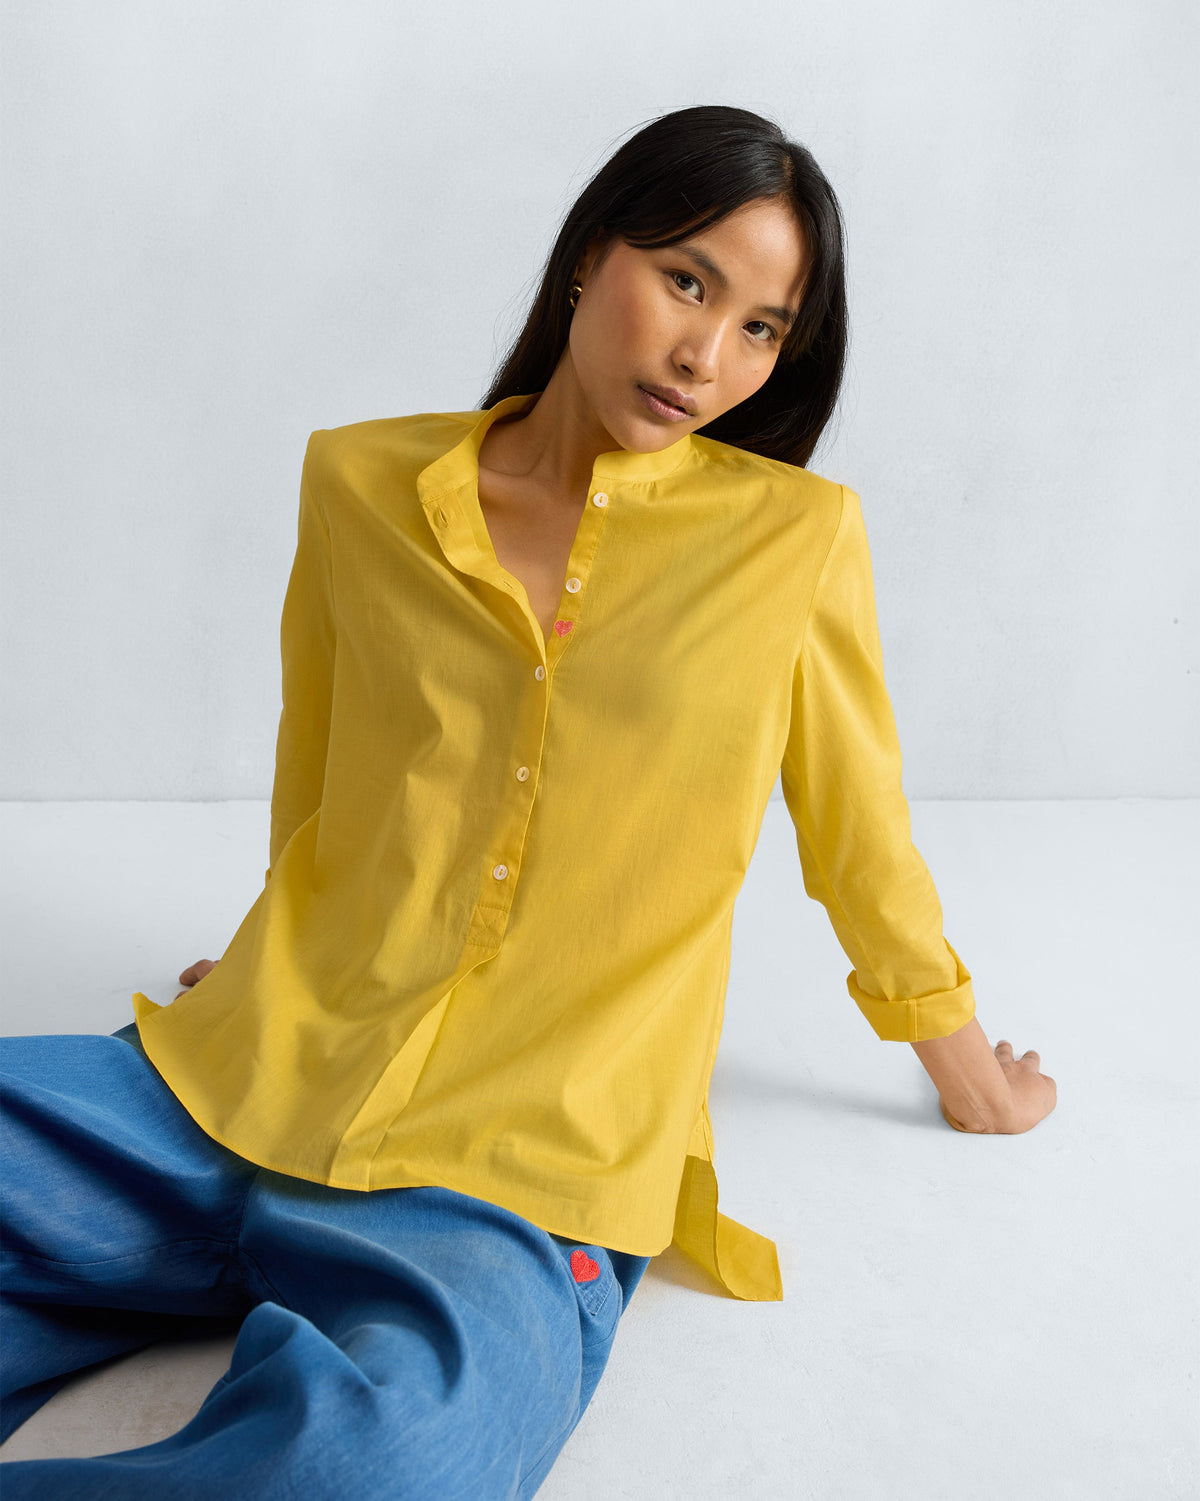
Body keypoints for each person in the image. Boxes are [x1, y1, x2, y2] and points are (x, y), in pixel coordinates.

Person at [0, 103, 1056, 1497]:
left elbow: (861, 839)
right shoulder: (360, 481)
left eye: (761, 327)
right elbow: (322, 765)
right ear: (587, 255)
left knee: (385, 1466)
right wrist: (267, 949)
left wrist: (969, 1071)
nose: (707, 355)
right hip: (236, 1081)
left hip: (516, 1174)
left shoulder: (793, 544)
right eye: (687, 281)